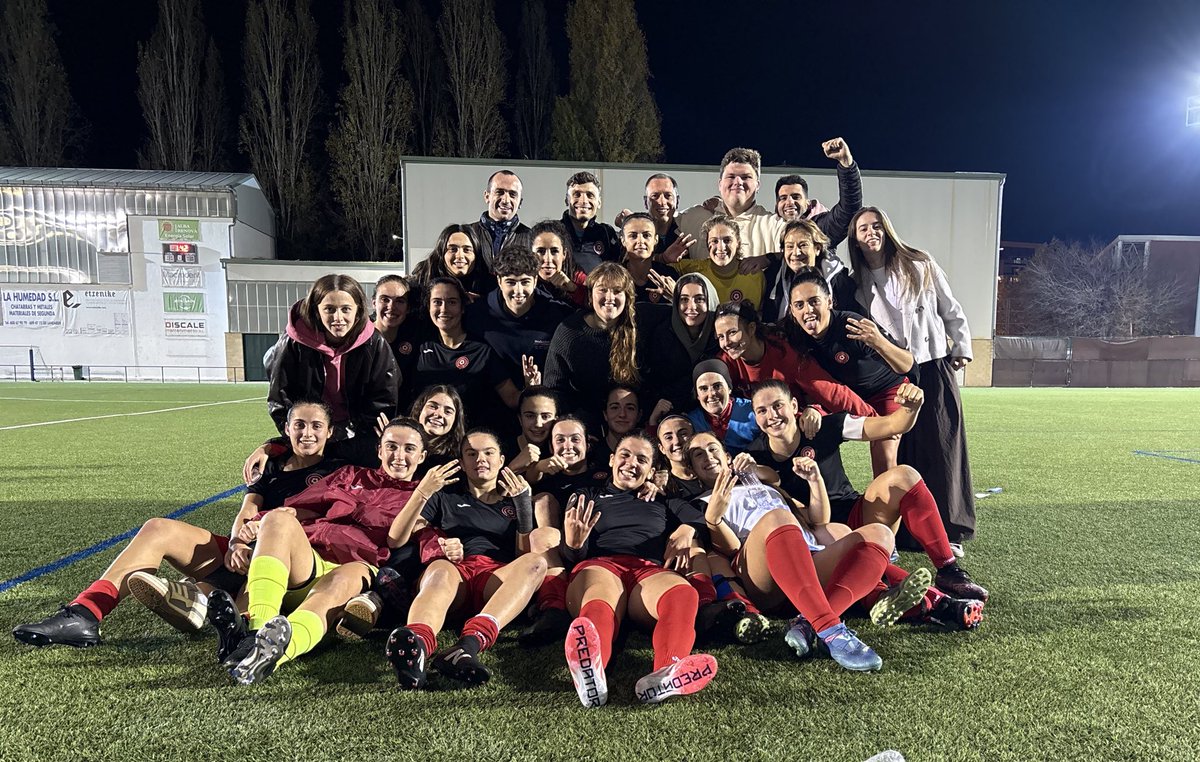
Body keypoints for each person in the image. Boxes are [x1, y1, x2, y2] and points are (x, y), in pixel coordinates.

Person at [11, 402, 341, 650]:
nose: (307, 433)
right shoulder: (271, 467)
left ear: (330, 432)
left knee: (240, 613)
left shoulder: (342, 465)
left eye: (316, 426)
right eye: (299, 425)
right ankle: (84, 614)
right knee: (158, 528)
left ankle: (202, 601)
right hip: (245, 550)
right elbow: (246, 510)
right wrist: (239, 543)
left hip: (292, 564)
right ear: (286, 428)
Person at [210, 417, 455, 684]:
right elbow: (300, 507)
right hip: (308, 559)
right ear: (379, 450)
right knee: (277, 519)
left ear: (422, 456)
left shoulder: (424, 497)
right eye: (391, 446)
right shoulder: (350, 475)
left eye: (409, 449)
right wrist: (257, 524)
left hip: (356, 567)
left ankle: (271, 655)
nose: (399, 455)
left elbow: (418, 537)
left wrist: (448, 549)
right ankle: (256, 629)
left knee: (341, 581)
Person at [746, 380, 988, 622]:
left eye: (778, 405)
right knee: (839, 547)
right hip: (816, 540)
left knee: (904, 476)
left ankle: (948, 570)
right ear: (755, 417)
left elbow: (891, 424)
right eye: (762, 410)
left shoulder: (825, 426)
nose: (772, 415)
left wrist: (911, 408)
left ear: (794, 404)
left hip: (857, 519)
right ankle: (924, 602)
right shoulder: (753, 456)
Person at [687, 432, 899, 670]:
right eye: (698, 454)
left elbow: (816, 520)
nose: (708, 456)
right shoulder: (702, 502)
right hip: (764, 573)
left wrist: (815, 480)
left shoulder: (763, 485)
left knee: (881, 533)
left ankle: (807, 622)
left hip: (807, 557)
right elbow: (729, 549)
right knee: (778, 517)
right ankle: (830, 629)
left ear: (727, 456)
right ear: (693, 470)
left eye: (712, 449)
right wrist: (714, 519)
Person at [847, 206, 977, 551]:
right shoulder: (857, 286)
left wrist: (961, 346)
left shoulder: (919, 264)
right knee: (903, 451)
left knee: (942, 448)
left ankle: (950, 530)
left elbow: (951, 308)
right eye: (863, 229)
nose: (871, 232)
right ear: (855, 241)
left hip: (933, 366)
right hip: (893, 374)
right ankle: (907, 531)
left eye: (876, 225)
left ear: (887, 230)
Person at [383, 430, 550, 689]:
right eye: (471, 454)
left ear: (502, 459)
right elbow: (402, 535)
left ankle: (467, 646)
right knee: (439, 568)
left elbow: (522, 555)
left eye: (488, 453)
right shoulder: (447, 495)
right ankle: (417, 646)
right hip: (454, 574)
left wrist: (523, 507)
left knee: (536, 562)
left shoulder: (514, 498)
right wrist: (436, 537)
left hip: (495, 578)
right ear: (462, 462)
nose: (480, 459)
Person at [561, 433, 718, 706]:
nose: (631, 463)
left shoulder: (663, 501)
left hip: (648, 572)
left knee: (683, 594)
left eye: (642, 459)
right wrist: (574, 546)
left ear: (651, 471)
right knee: (600, 598)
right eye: (625, 455)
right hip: (602, 565)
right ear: (611, 460)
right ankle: (592, 672)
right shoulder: (587, 495)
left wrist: (686, 528)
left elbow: (701, 518)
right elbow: (570, 555)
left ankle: (666, 673)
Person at [783, 268, 915, 476]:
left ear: (829, 301)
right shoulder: (795, 338)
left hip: (887, 391)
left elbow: (908, 364)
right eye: (799, 305)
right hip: (849, 398)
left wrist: (878, 342)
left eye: (814, 301)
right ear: (792, 310)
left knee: (884, 455)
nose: (807, 310)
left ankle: (892, 505)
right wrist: (814, 406)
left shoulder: (851, 326)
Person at [267, 274, 399, 465]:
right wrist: (302, 434)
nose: (338, 318)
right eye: (329, 309)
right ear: (316, 310)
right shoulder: (292, 343)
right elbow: (280, 398)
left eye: (346, 309)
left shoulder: (375, 343)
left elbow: (383, 401)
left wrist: (353, 436)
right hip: (310, 437)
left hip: (357, 437)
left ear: (358, 310)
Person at [713, 299, 876, 418]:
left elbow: (830, 391)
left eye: (732, 332)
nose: (726, 343)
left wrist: (873, 418)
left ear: (751, 328)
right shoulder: (724, 364)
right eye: (721, 337)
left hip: (793, 422)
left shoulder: (783, 352)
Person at [406, 277, 531, 430]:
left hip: (468, 442)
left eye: (452, 302)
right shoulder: (418, 345)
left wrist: (531, 387)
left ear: (462, 307)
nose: (444, 309)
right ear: (428, 306)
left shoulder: (482, 351)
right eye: (437, 302)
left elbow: (512, 398)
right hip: (425, 438)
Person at [465, 246, 572, 403]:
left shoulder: (556, 313)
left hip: (542, 404)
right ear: (499, 281)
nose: (518, 290)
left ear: (535, 281)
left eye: (525, 282)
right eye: (511, 282)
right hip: (490, 404)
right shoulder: (478, 313)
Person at [543, 263, 641, 428]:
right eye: (602, 290)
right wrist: (578, 424)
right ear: (590, 295)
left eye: (617, 291)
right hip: (582, 424)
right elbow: (554, 389)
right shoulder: (569, 331)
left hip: (630, 422)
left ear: (627, 297)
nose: (609, 297)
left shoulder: (639, 328)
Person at [675, 147, 784, 264]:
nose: (738, 182)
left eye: (746, 177)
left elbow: (802, 249)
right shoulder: (693, 217)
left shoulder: (774, 226)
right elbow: (657, 227)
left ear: (757, 185)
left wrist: (769, 258)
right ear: (720, 184)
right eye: (731, 176)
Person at [641, 272, 720, 420]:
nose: (691, 307)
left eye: (700, 299)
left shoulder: (720, 336)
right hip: (671, 414)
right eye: (684, 299)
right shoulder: (663, 335)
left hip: (714, 413)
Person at [761, 219, 863, 324]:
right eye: (790, 246)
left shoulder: (840, 282)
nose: (796, 252)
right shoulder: (772, 278)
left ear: (817, 248)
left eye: (803, 245)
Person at [773, 137, 863, 249]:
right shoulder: (769, 229)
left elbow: (848, 209)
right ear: (777, 206)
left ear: (807, 203)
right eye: (783, 198)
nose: (790, 202)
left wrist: (846, 164)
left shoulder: (820, 228)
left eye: (796, 197)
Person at [665, 214, 765, 307]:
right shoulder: (692, 270)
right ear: (707, 245)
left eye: (727, 240)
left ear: (738, 243)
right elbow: (652, 268)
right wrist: (663, 258)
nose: (721, 247)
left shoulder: (755, 276)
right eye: (714, 241)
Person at [684, 359, 760, 455]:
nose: (711, 394)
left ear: (729, 388)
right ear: (697, 395)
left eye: (717, 386)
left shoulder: (754, 410)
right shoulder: (690, 423)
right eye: (704, 389)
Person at [371, 274, 424, 411]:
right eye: (385, 299)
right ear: (374, 303)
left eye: (400, 301)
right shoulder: (359, 338)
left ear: (408, 307)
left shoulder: (415, 336)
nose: (391, 306)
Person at [464, 170, 531, 272]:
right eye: (499, 192)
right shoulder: (467, 234)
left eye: (513, 194)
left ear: (520, 202)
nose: (505, 200)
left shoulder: (531, 237)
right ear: (487, 197)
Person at [410, 224, 496, 301]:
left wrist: (482, 303)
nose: (460, 255)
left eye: (467, 250)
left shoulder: (490, 286)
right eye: (453, 249)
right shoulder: (422, 278)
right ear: (441, 253)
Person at [560, 171, 621, 274]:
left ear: (599, 202)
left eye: (590, 195)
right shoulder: (554, 232)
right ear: (566, 200)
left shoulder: (606, 233)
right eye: (577, 194)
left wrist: (628, 223)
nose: (583, 201)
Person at [619, 212, 678, 305]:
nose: (640, 241)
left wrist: (675, 297)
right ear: (623, 240)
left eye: (646, 235)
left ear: (656, 239)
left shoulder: (669, 275)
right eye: (633, 236)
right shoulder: (614, 276)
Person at [408, 385, 467, 471]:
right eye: (432, 406)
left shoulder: (457, 461)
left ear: (455, 420)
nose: (439, 414)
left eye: (448, 411)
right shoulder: (397, 445)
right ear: (420, 409)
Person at [530, 219, 587, 307]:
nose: (548, 259)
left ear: (564, 254)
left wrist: (574, 290)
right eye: (541, 251)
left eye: (554, 251)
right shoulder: (522, 280)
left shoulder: (578, 279)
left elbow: (596, 306)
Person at [506, 386, 559, 475]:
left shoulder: (561, 449)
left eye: (545, 416)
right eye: (530, 416)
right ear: (520, 419)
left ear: (555, 420)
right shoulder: (502, 450)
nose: (538, 424)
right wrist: (513, 467)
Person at [655, 414, 704, 500]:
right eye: (669, 437)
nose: (677, 441)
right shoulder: (662, 487)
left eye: (683, 434)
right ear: (661, 448)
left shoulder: (712, 471)